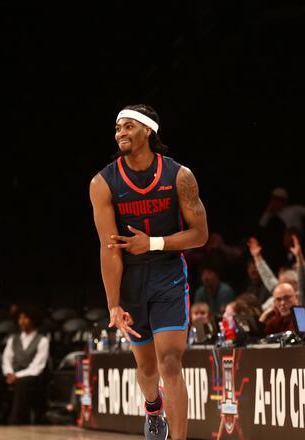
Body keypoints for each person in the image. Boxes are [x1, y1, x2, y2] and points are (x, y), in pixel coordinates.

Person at [90, 104, 208, 440]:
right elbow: (109, 248)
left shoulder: (180, 176)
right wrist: (113, 303)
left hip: (168, 274)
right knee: (147, 368)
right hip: (130, 279)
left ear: (148, 131)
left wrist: (153, 243)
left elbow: (199, 235)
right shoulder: (102, 182)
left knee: (170, 361)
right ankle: (153, 408)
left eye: (128, 127)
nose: (120, 134)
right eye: (117, 128)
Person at [0, 306, 49, 425]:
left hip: (31, 375)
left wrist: (17, 376)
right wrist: (9, 373)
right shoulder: (13, 339)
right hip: (13, 373)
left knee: (21, 384)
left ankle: (14, 421)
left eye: (25, 318)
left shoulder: (42, 340)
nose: (22, 321)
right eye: (20, 318)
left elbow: (37, 366)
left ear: (33, 320)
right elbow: (6, 359)